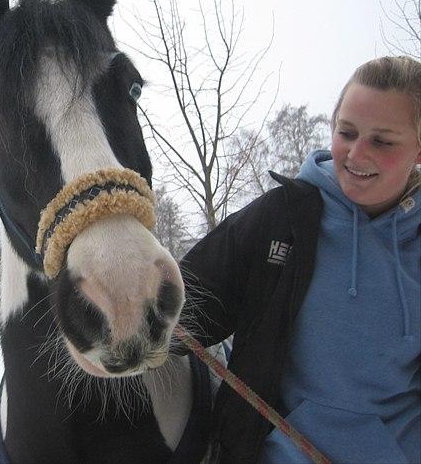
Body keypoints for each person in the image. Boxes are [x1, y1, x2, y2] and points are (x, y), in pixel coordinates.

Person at [179, 55, 421, 464]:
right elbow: (181, 308)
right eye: (346, 132)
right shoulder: (283, 219)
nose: (356, 154)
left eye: (382, 141)